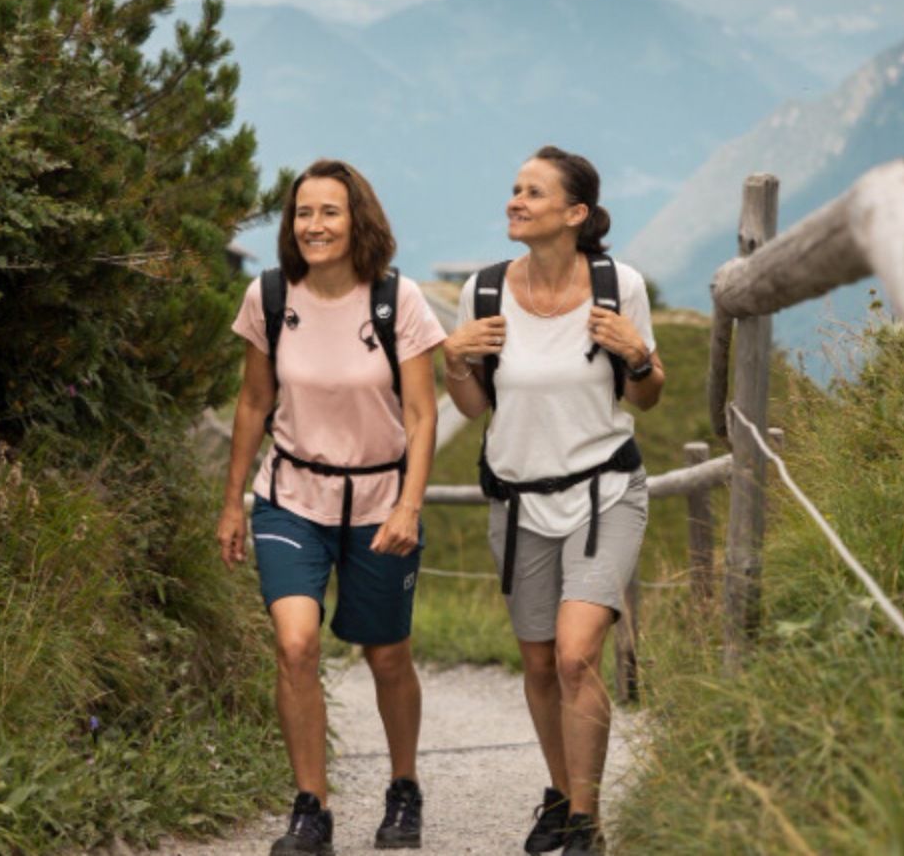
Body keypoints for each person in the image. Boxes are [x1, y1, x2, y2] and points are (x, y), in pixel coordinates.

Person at [218, 160, 444, 855]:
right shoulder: (269, 295)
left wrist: (409, 504)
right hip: (290, 498)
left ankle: (402, 787)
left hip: (379, 498)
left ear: (357, 220)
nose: (313, 225)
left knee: (385, 655)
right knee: (295, 643)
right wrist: (232, 502)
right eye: (302, 213)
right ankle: (310, 806)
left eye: (329, 212)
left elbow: (421, 411)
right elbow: (255, 402)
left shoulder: (395, 300)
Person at [443, 146, 664, 855]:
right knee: (538, 663)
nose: (515, 200)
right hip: (516, 499)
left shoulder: (615, 283)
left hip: (604, 491)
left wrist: (638, 353)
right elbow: (475, 405)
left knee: (574, 657)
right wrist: (453, 362)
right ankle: (562, 793)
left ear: (575, 213)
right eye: (513, 188)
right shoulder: (481, 292)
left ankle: (585, 823)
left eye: (532, 192)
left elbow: (647, 395)